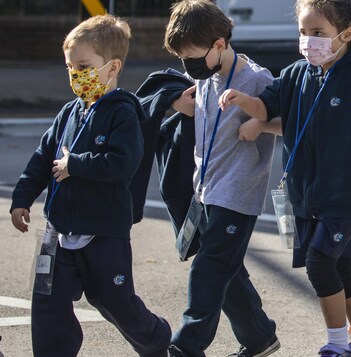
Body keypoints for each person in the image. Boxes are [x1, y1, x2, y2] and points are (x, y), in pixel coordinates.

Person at [218, 0, 351, 355]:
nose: (309, 41)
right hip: (307, 195)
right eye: (303, 33)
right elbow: (267, 108)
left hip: (349, 195)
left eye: (318, 33)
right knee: (343, 268)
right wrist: (245, 100)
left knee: (320, 264)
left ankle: (337, 345)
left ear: (346, 34)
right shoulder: (294, 74)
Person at [9, 14, 171, 357]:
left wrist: (76, 164)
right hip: (59, 228)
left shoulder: (123, 112)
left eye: (83, 66)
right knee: (47, 303)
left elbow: (124, 163)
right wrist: (22, 197)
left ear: (111, 68)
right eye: (70, 67)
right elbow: (42, 157)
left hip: (103, 229)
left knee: (113, 300)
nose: (74, 75)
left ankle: (157, 340)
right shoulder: (69, 112)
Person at [163, 1, 282, 356]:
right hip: (207, 189)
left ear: (219, 44)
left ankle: (186, 346)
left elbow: (289, 122)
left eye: (193, 57)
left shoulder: (257, 79)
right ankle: (261, 337)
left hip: (238, 192)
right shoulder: (205, 77)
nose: (189, 66)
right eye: (182, 59)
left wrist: (259, 122)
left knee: (210, 267)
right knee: (228, 272)